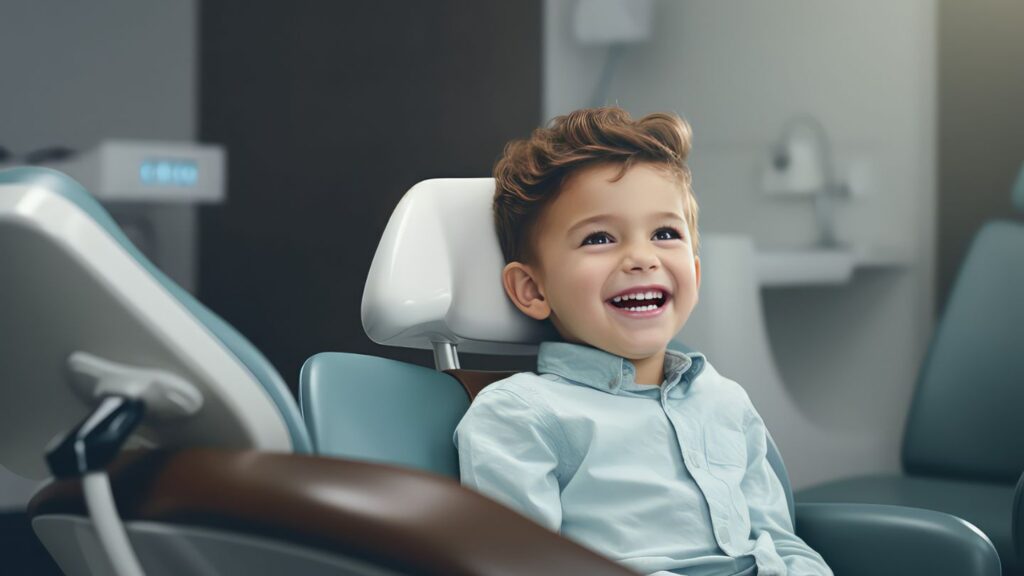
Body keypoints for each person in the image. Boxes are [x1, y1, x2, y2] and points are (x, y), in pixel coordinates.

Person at [454, 107, 832, 576]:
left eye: (665, 233)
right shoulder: (520, 416)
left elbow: (780, 542)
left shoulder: (725, 401)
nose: (641, 257)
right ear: (532, 289)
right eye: (599, 238)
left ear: (694, 272)